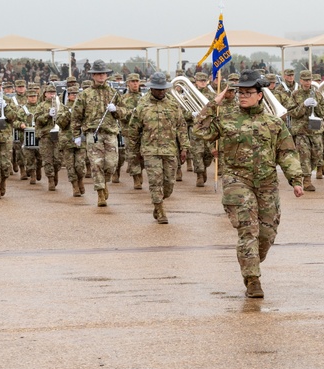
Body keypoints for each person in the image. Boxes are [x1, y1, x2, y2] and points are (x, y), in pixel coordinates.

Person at [193, 70, 305, 298]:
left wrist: (296, 179)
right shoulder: (226, 118)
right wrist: (214, 101)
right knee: (248, 230)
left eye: (247, 92)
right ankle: (253, 280)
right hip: (237, 181)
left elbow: (287, 152)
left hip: (266, 183)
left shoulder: (273, 123)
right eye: (239, 92)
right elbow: (200, 130)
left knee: (266, 234)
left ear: (260, 95)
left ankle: (251, 259)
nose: (242, 96)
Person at [126, 73, 189, 224]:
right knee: (155, 181)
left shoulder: (173, 104)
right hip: (150, 150)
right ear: (151, 89)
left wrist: (185, 147)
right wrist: (134, 152)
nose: (161, 92)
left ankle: (159, 201)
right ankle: (160, 209)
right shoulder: (142, 105)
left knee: (169, 184)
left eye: (163, 89)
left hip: (169, 149)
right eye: (158, 89)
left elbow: (181, 126)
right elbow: (134, 130)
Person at [71, 60, 126, 207]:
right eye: (98, 74)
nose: (101, 76)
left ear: (107, 75)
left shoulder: (113, 93)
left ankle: (105, 182)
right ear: (93, 76)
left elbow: (124, 112)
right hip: (92, 134)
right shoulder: (85, 95)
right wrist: (76, 135)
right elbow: (76, 116)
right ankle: (100, 192)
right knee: (96, 164)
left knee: (111, 164)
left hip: (110, 133)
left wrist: (116, 110)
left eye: (103, 74)